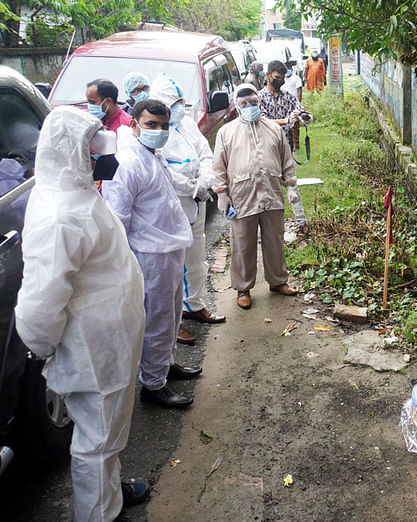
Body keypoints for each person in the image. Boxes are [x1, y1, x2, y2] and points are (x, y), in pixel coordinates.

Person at [14, 106, 151, 522]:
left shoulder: (75, 193)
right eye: (90, 149)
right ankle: (97, 520)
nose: (99, 155)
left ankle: (107, 492)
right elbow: (40, 300)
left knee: (109, 426)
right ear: (69, 152)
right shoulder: (60, 214)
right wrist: (42, 345)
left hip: (109, 337)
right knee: (96, 435)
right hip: (92, 346)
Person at [104, 99, 201, 408]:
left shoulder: (151, 155)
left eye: (163, 126)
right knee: (157, 319)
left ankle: (164, 365)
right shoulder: (128, 162)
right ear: (134, 125)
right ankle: (153, 385)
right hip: (149, 254)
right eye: (151, 125)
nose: (159, 131)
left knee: (171, 315)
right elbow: (118, 219)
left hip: (168, 248)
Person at [149, 73, 225, 346]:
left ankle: (194, 305)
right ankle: (174, 321)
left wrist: (204, 181)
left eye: (182, 102)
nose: (181, 107)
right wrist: (189, 185)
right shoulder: (156, 132)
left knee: (196, 258)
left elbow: (206, 154)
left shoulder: (188, 124)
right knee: (171, 268)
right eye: (176, 102)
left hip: (198, 201)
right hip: (174, 206)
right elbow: (163, 169)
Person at [212, 83, 298, 309]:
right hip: (242, 197)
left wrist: (290, 186)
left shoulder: (273, 128)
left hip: (271, 194)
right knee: (242, 244)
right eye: (244, 104)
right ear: (237, 106)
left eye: (253, 102)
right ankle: (243, 288)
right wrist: (222, 194)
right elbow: (219, 167)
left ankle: (278, 281)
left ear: (259, 102)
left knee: (275, 242)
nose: (249, 107)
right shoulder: (226, 132)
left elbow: (286, 160)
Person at [258, 60, 312, 229]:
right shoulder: (259, 97)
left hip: (285, 146)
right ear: (268, 76)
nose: (280, 81)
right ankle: (270, 226)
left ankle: (301, 222)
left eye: (282, 78)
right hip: (266, 148)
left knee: (292, 183)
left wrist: (304, 117)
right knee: (269, 186)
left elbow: (300, 108)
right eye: (277, 77)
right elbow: (263, 121)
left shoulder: (287, 96)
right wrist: (286, 120)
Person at [281, 61, 304, 151]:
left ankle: (296, 144)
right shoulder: (282, 79)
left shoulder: (296, 78)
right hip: (283, 105)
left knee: (295, 125)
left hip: (293, 104)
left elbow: (299, 91)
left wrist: (298, 103)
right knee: (286, 124)